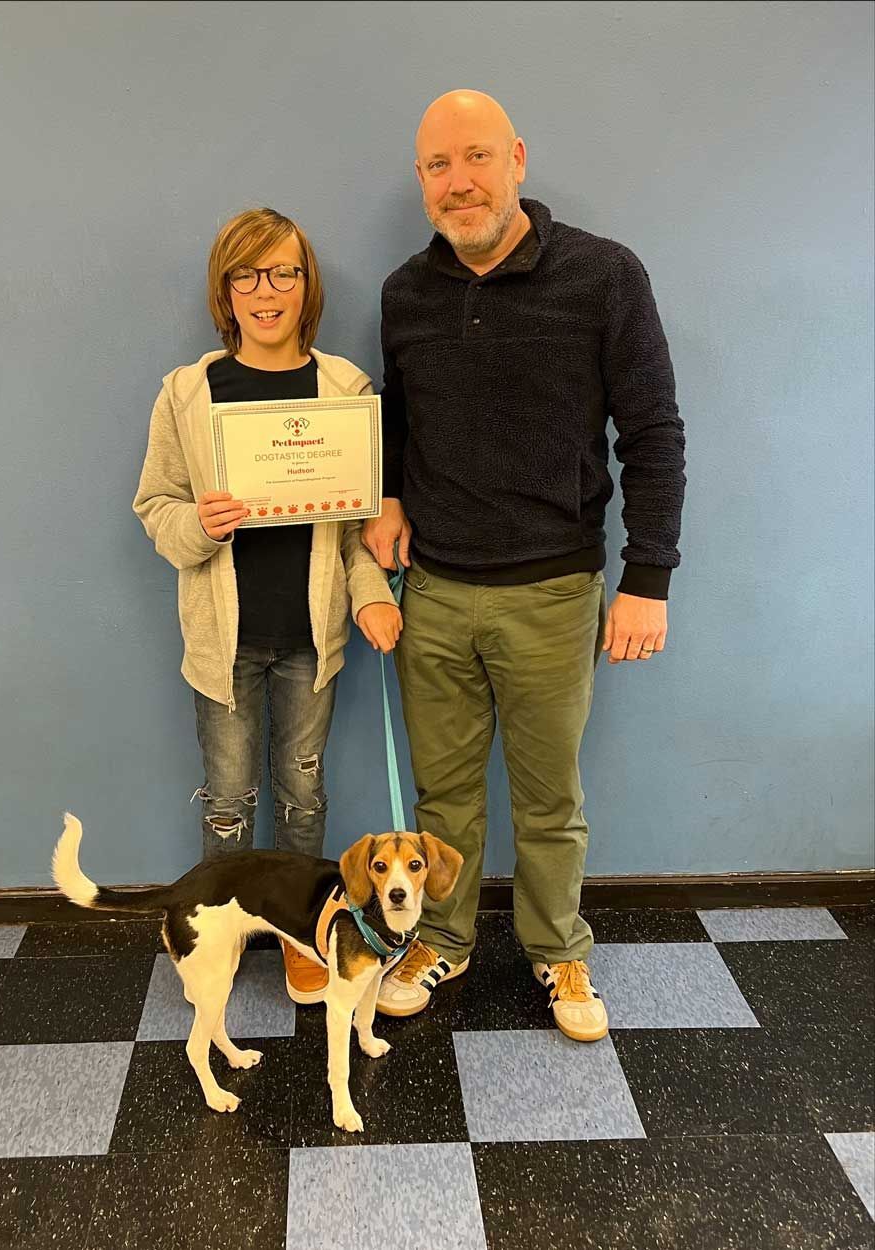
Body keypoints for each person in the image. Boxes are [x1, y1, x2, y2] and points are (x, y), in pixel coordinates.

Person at [363, 91, 686, 1041]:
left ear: (516, 160)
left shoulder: (603, 274)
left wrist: (648, 579)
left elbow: (655, 434)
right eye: (436, 167)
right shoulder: (404, 293)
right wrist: (386, 496)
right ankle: (442, 940)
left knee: (551, 800)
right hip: (435, 595)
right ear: (420, 181)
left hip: (554, 592)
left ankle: (558, 952)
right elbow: (398, 416)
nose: (457, 182)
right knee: (442, 802)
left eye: (474, 158)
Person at [134, 207, 402, 1003]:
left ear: (305, 285)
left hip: (311, 641)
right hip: (223, 643)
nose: (265, 290)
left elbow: (358, 529)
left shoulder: (345, 388)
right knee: (225, 799)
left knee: (303, 796)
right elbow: (156, 506)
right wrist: (197, 524)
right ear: (225, 291)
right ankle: (213, 933)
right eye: (245, 275)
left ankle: (299, 932)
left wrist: (372, 599)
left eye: (282, 272)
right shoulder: (188, 392)